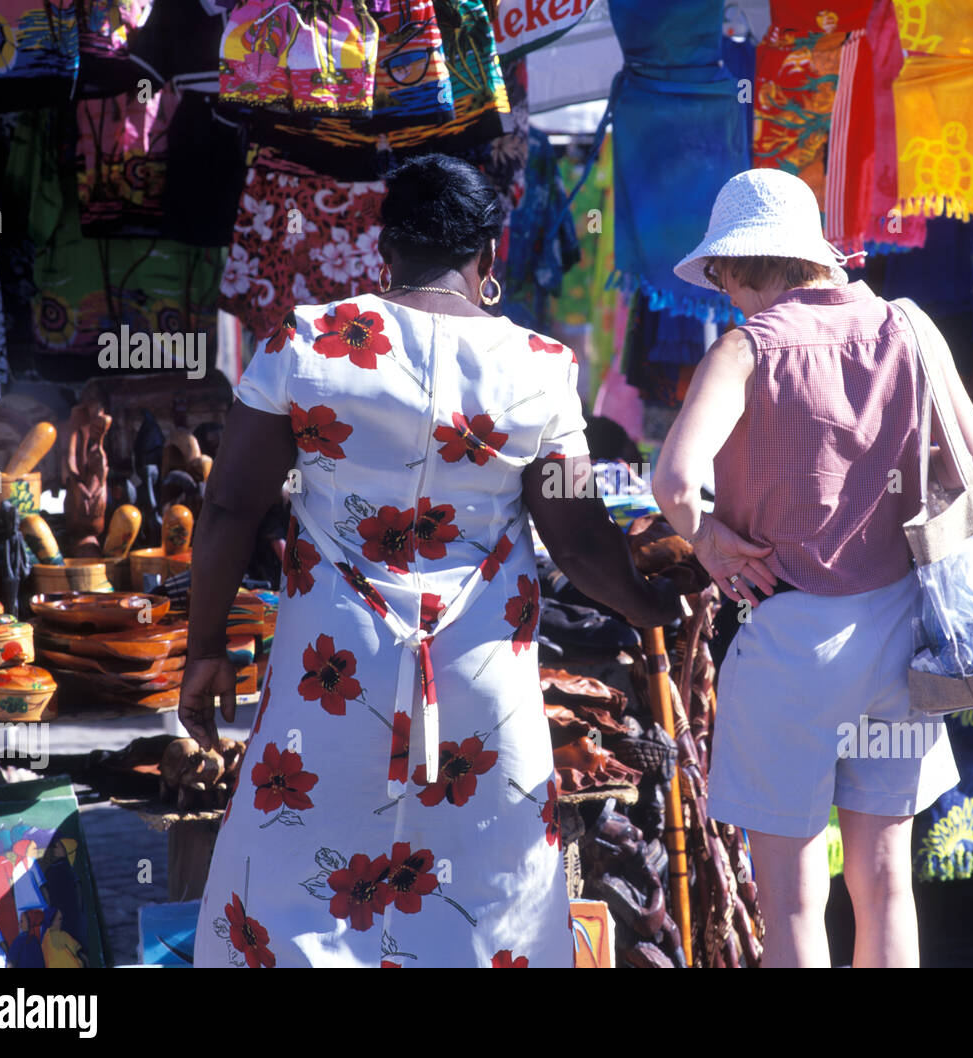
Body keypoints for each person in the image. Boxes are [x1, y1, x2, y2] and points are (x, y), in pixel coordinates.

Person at [181, 154, 680, 968]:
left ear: (387, 250)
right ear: (490, 255)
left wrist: (205, 651)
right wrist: (647, 604)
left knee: (292, 887)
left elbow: (231, 505)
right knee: (489, 894)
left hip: (331, 670)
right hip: (479, 675)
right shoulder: (539, 367)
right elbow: (579, 534)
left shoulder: (304, 344)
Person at [653, 169, 973, 968]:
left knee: (795, 904)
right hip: (900, 636)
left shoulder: (747, 348)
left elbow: (674, 481)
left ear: (742, 265)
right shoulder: (909, 329)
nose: (721, 289)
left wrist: (707, 539)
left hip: (790, 646)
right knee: (885, 885)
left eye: (719, 273)